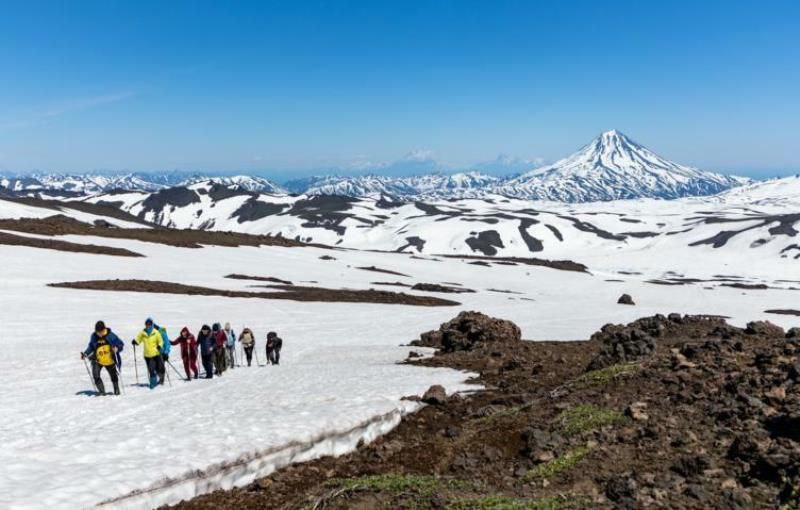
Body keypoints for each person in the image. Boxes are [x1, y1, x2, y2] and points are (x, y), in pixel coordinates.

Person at [81, 320, 124, 395]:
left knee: (113, 376)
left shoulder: (111, 335)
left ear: (104, 329)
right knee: (96, 375)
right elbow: (91, 346)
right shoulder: (94, 336)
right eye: (98, 332)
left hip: (110, 360)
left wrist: (117, 348)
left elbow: (120, 344)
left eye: (101, 331)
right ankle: (102, 392)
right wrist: (85, 354)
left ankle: (116, 389)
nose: (100, 334)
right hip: (98, 360)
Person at [132, 317, 165, 389]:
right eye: (147, 325)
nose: (148, 326)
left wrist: (159, 346)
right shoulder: (142, 332)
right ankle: (153, 383)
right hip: (147, 355)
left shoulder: (156, 332)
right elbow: (138, 340)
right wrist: (135, 342)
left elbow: (161, 341)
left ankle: (161, 378)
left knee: (158, 368)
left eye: (149, 325)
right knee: (151, 369)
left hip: (156, 354)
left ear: (152, 325)